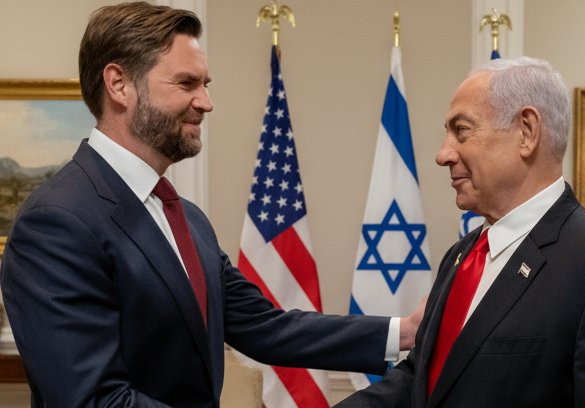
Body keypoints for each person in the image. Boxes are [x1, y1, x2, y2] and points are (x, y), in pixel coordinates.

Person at [0, 3, 424, 407]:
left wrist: (405, 331)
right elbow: (94, 400)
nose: (206, 102)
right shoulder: (56, 222)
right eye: (186, 84)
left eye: (205, 85)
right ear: (119, 84)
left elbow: (264, 327)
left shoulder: (185, 216)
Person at [336, 57, 585, 407]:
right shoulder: (462, 256)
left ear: (526, 131)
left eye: (461, 130)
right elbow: (422, 379)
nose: (443, 154)